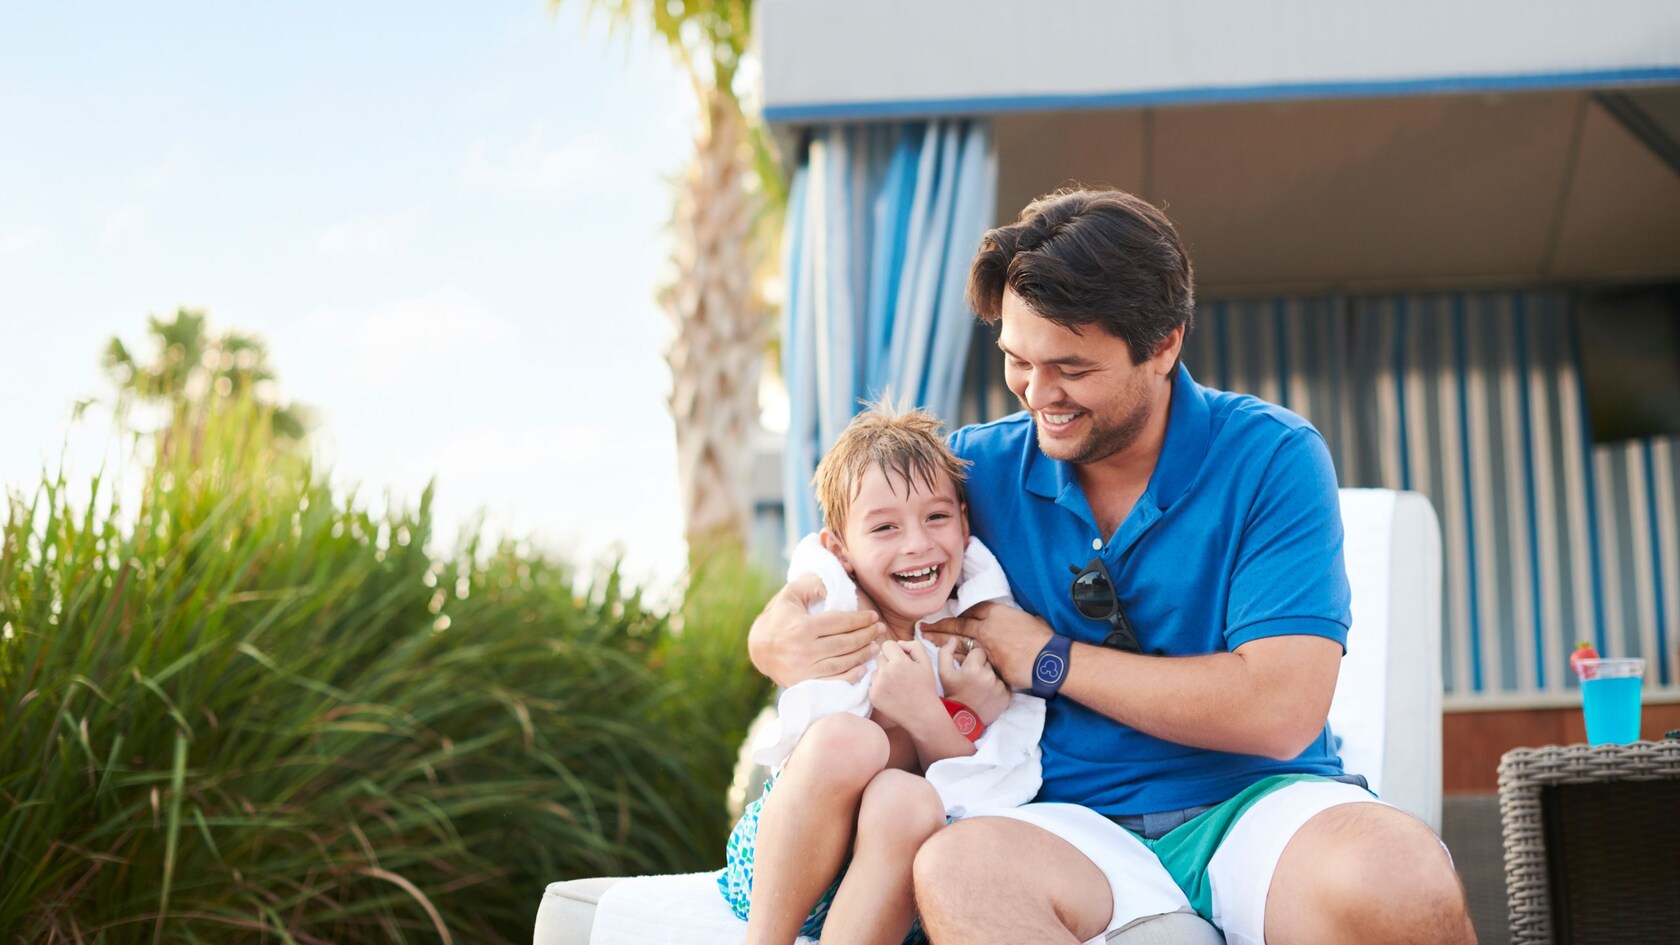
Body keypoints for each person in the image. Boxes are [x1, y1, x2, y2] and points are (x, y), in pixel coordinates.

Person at [749, 188, 1476, 945]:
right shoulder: (972, 470)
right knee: (955, 869)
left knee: (1403, 879)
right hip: (1058, 820)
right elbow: (852, 549)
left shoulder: (1272, 457)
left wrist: (1049, 658)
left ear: (1164, 345)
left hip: (1256, 803)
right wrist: (773, 636)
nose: (1038, 394)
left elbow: (1280, 708)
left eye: (1070, 367)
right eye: (1017, 361)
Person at [719, 402, 1047, 945]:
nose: (917, 543)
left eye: (936, 517)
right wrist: (938, 717)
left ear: (965, 523)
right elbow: (824, 752)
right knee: (851, 739)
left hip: (892, 882)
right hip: (786, 873)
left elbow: (979, 788)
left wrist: (934, 715)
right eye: (885, 527)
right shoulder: (836, 623)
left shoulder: (975, 633)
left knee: (910, 797)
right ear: (839, 550)